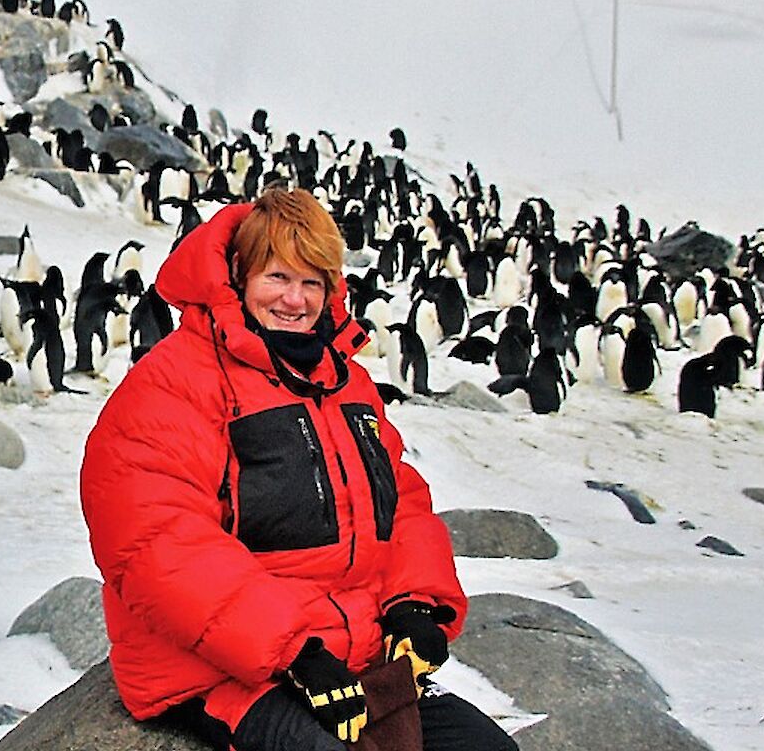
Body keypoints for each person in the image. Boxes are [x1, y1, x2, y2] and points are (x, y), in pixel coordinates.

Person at [79, 186, 517, 750]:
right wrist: (292, 649)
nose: (296, 299)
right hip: (220, 667)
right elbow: (157, 545)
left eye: (312, 281)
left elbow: (398, 501)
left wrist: (414, 604)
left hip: (342, 654)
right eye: (278, 277)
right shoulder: (174, 386)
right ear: (238, 276)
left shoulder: (342, 380)